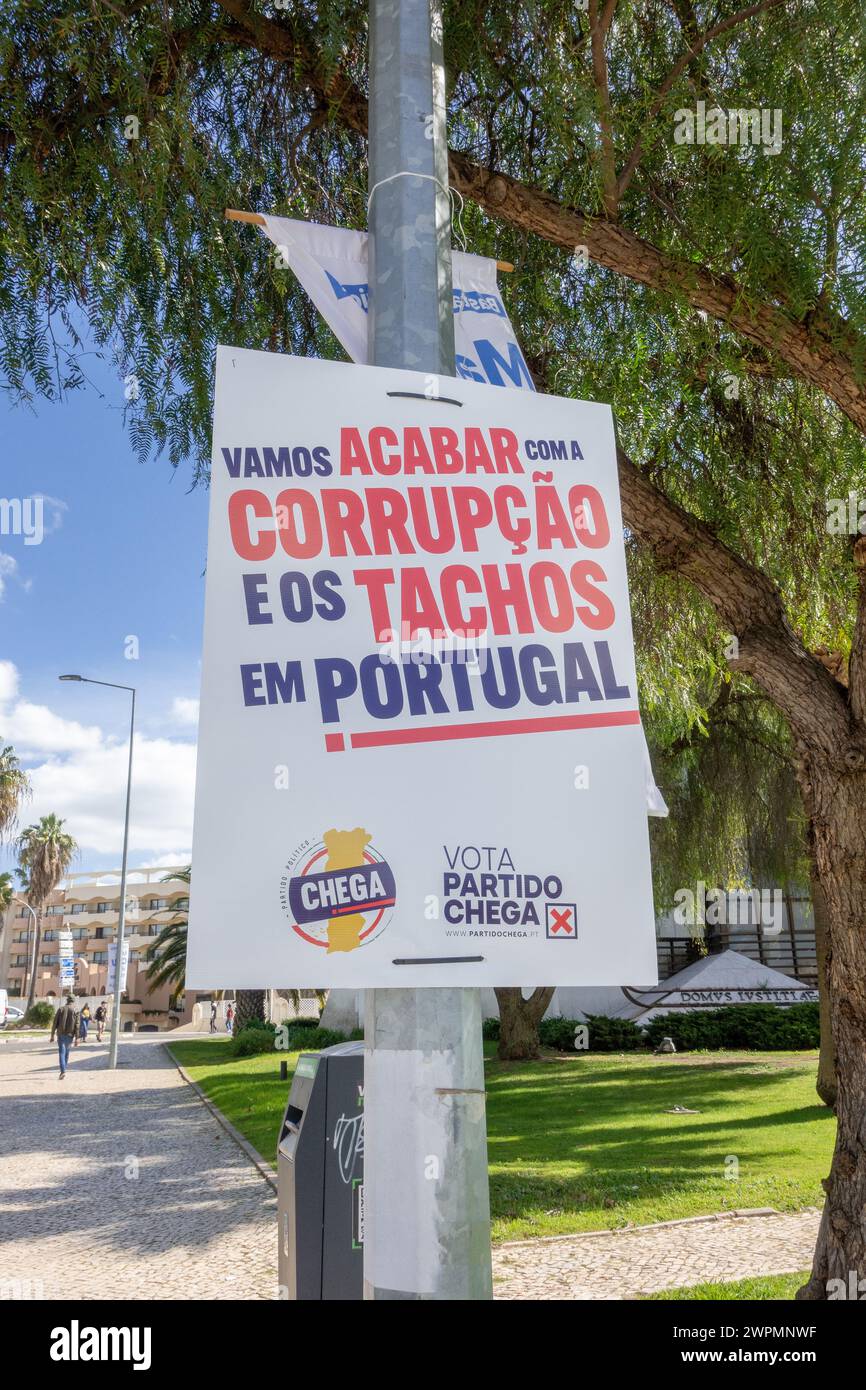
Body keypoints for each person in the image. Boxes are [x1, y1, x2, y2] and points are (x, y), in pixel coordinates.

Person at [50, 995, 78, 1080]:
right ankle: (64, 1070)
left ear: (67, 1000)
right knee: (67, 1053)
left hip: (61, 1034)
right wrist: (77, 1037)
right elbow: (77, 1025)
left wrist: (52, 1035)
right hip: (70, 1035)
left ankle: (63, 1071)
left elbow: (55, 1023)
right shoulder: (76, 1010)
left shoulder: (61, 1009)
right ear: (73, 1001)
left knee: (62, 1052)